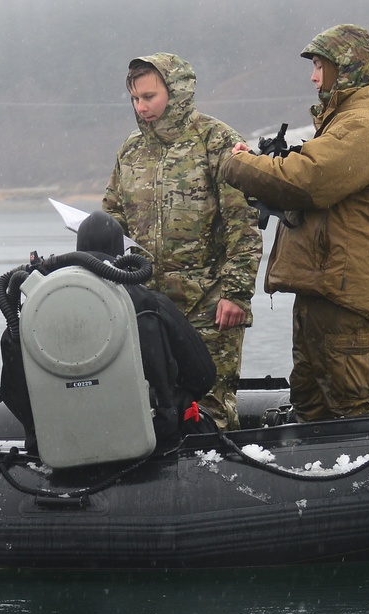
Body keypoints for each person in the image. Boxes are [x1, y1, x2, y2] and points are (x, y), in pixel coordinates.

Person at [219, 24, 369, 422]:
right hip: (322, 289)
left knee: (352, 411)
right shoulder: (345, 122)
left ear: (345, 68)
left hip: (341, 296)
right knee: (309, 399)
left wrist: (240, 164)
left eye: (319, 66)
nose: (313, 76)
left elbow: (309, 181)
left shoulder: (365, 125)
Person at [103, 53, 262, 430]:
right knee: (151, 411)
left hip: (209, 305)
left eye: (149, 97)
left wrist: (236, 293)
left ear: (176, 92)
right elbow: (114, 216)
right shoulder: (130, 150)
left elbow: (243, 222)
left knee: (212, 413)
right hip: (146, 307)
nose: (142, 107)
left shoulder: (217, 140)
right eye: (135, 99)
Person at [76, 211, 217, 443]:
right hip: (150, 434)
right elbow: (202, 376)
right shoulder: (150, 302)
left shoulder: (41, 304)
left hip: (69, 433)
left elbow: (14, 390)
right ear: (121, 251)